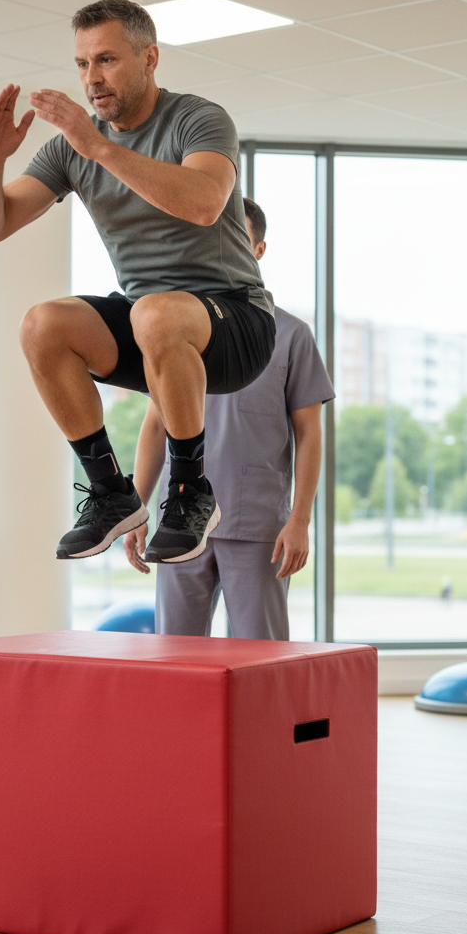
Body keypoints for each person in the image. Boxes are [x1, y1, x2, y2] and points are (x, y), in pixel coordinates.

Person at [0, 0, 275, 564]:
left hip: (236, 323)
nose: (92, 78)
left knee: (154, 312)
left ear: (149, 58)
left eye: (106, 60)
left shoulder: (197, 119)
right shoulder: (71, 147)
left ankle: (190, 490)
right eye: (82, 64)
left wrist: (98, 147)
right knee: (43, 324)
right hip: (151, 324)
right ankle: (111, 492)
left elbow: (204, 203)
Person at [123, 198, 335, 640]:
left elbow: (310, 435)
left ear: (257, 250)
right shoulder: (172, 331)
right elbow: (156, 426)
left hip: (256, 524)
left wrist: (300, 520)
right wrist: (135, 508)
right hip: (180, 521)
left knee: (261, 655)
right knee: (175, 656)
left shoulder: (291, 335)